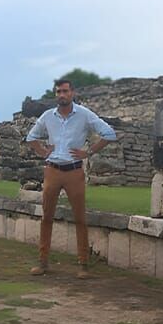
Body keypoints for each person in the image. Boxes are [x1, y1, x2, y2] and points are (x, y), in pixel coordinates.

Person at [26, 79, 117, 279]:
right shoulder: (48, 116)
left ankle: (83, 263)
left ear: (72, 93)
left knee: (80, 218)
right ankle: (43, 262)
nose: (62, 95)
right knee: (47, 216)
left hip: (74, 171)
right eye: (58, 91)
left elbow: (109, 133)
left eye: (65, 91)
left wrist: (89, 151)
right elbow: (31, 137)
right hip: (52, 169)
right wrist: (42, 151)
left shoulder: (84, 115)